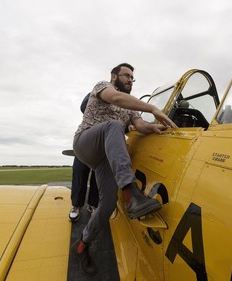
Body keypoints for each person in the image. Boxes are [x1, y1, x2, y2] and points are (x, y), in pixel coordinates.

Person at [71, 63, 177, 276]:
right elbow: (117, 98)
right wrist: (154, 108)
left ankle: (82, 245)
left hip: (103, 159)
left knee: (108, 205)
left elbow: (140, 125)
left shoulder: (131, 108)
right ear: (114, 76)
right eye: (126, 75)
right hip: (85, 142)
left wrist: (155, 128)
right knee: (114, 125)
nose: (130, 80)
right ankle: (132, 195)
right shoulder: (102, 86)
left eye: (132, 77)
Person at [69, 93, 100, 222]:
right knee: (79, 172)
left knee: (97, 176)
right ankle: (76, 205)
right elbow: (83, 106)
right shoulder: (98, 91)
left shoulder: (119, 103)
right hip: (85, 141)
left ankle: (92, 204)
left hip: (101, 145)